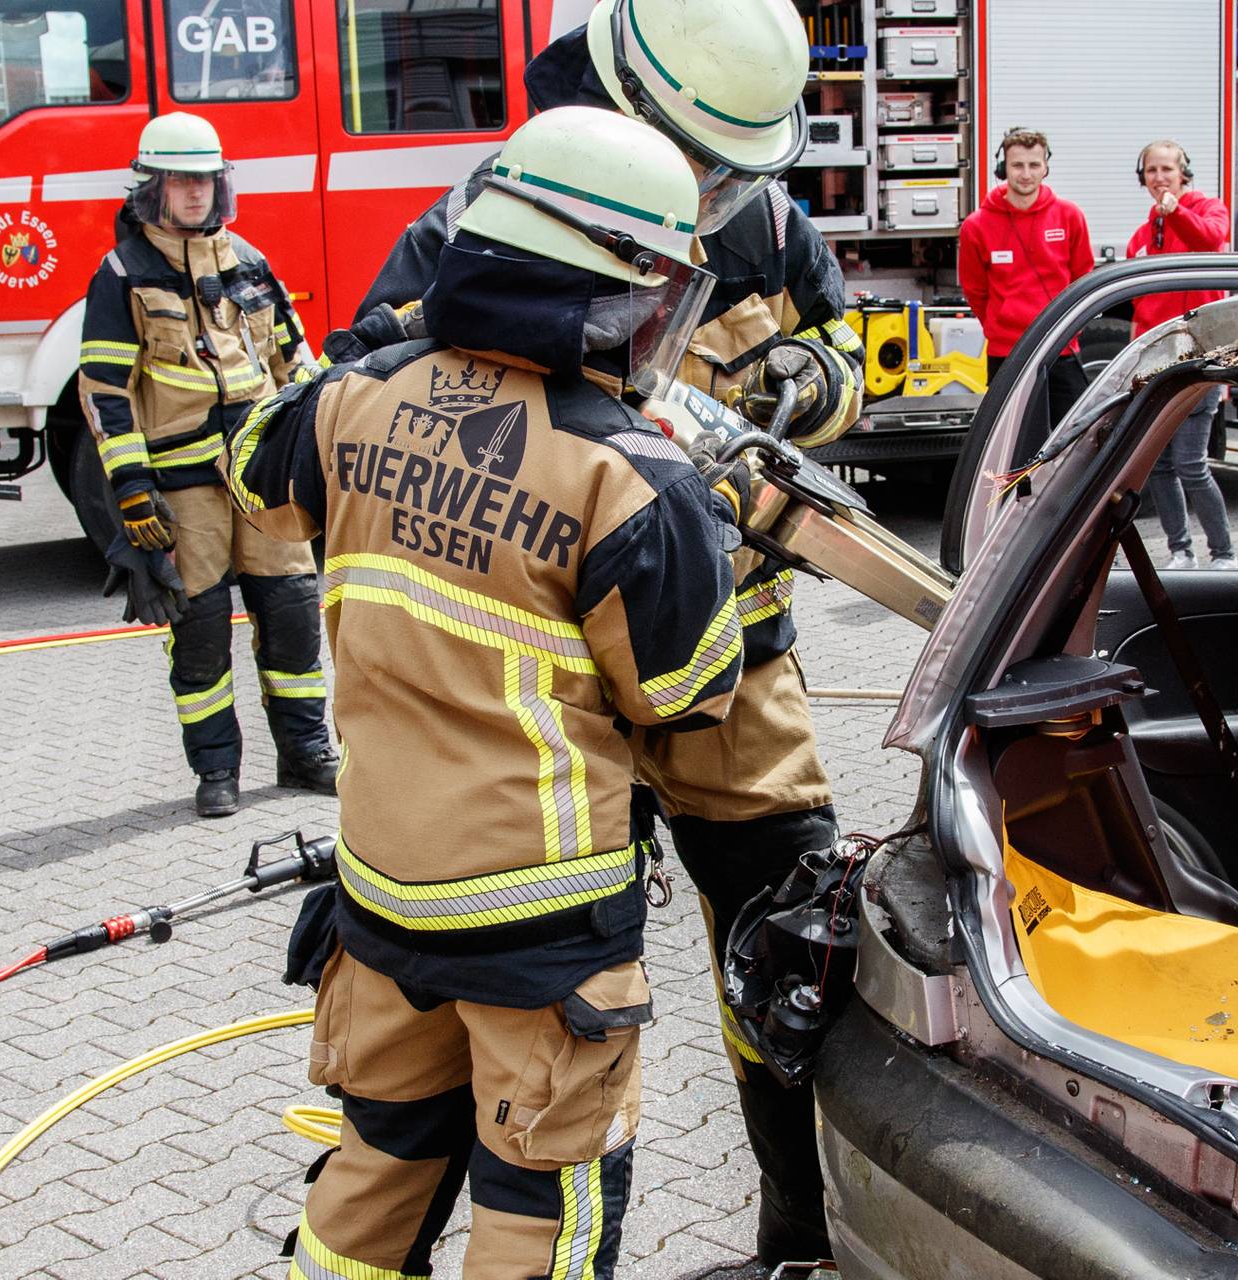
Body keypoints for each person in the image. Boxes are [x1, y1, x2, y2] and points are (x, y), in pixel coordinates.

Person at [323, 4, 859, 1267]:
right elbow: (372, 395)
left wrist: (802, 389)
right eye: (696, 162)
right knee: (515, 988)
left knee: (790, 944)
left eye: (731, 172)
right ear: (624, 106)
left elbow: (842, 351)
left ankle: (802, 1229)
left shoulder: (766, 223)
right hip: (536, 698)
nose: (712, 197)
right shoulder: (490, 210)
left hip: (729, 668)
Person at [231, 106, 743, 1280]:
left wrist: (397, 340)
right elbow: (686, 692)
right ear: (594, 288)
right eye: (648, 293)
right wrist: (716, 541)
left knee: (375, 1169)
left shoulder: (354, 399)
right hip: (540, 923)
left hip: (383, 895)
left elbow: (254, 463)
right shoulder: (630, 473)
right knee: (537, 1208)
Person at [77, 111, 336, 818]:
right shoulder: (123, 274)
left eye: (206, 180)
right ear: (152, 187)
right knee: (200, 631)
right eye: (181, 180)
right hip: (182, 485)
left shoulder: (247, 261)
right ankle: (216, 769)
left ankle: (307, 753)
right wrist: (131, 486)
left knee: (293, 613)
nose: (196, 192)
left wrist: (312, 451)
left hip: (259, 478)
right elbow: (104, 393)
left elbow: (294, 364)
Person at [1124, 140, 1235, 569]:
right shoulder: (1144, 232)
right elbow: (1140, 305)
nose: (1159, 178)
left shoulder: (1207, 209)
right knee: (1160, 467)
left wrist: (1176, 212)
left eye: (1167, 169)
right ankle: (1180, 551)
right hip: (1158, 363)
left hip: (1200, 359)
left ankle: (1224, 554)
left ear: (1183, 173)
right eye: (1152, 171)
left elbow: (1210, 238)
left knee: (1191, 465)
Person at [959, 126, 1097, 455]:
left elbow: (1083, 276)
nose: (1026, 174)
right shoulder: (977, 225)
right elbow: (975, 290)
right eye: (1017, 165)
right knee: (1014, 447)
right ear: (1003, 168)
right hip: (1009, 353)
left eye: (1034, 165)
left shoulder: (1069, 216)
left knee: (1076, 442)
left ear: (1045, 167)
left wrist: (1070, 328)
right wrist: (999, 326)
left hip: (1061, 346)